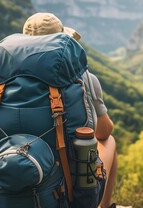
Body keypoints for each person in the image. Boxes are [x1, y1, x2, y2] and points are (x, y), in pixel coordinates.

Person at [23, 12, 117, 208]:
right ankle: (104, 206)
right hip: (70, 189)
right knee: (108, 140)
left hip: (14, 179)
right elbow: (104, 131)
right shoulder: (84, 79)